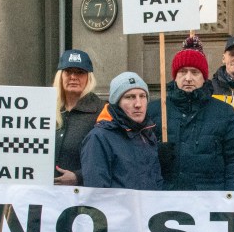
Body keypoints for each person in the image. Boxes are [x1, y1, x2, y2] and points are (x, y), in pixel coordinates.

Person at [147, 37, 234, 191]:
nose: (188, 78)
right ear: (175, 76)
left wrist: (229, 203)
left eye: (195, 72)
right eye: (183, 72)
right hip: (165, 203)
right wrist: (156, 154)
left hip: (210, 203)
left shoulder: (225, 113)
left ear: (204, 77)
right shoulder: (154, 111)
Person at [81, 72, 162, 190]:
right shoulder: (99, 138)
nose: (138, 104)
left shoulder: (147, 134)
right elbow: (96, 192)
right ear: (116, 102)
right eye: (130, 97)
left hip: (148, 208)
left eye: (143, 96)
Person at [53, 49, 103, 186]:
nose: (73, 77)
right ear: (60, 76)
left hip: (82, 198)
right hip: (45, 197)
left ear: (89, 77)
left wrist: (79, 176)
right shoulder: (46, 109)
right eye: (68, 71)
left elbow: (109, 157)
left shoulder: (102, 111)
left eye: (80, 72)